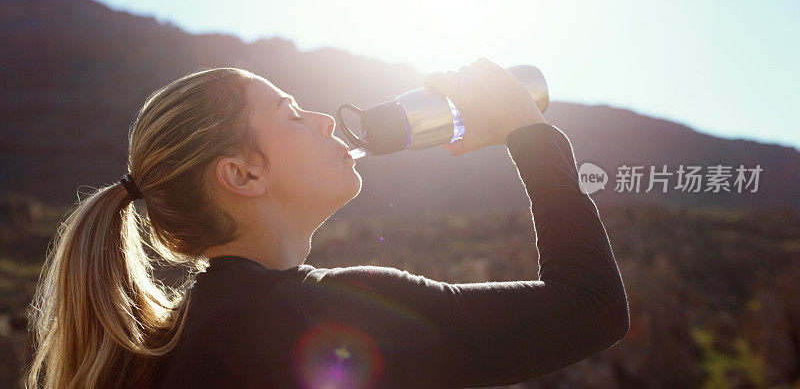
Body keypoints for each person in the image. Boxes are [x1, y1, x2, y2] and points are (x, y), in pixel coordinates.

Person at [27, 57, 629, 388]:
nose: (319, 117)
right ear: (242, 175)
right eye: (289, 112)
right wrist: (531, 135)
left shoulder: (171, 344)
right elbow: (591, 308)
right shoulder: (317, 318)